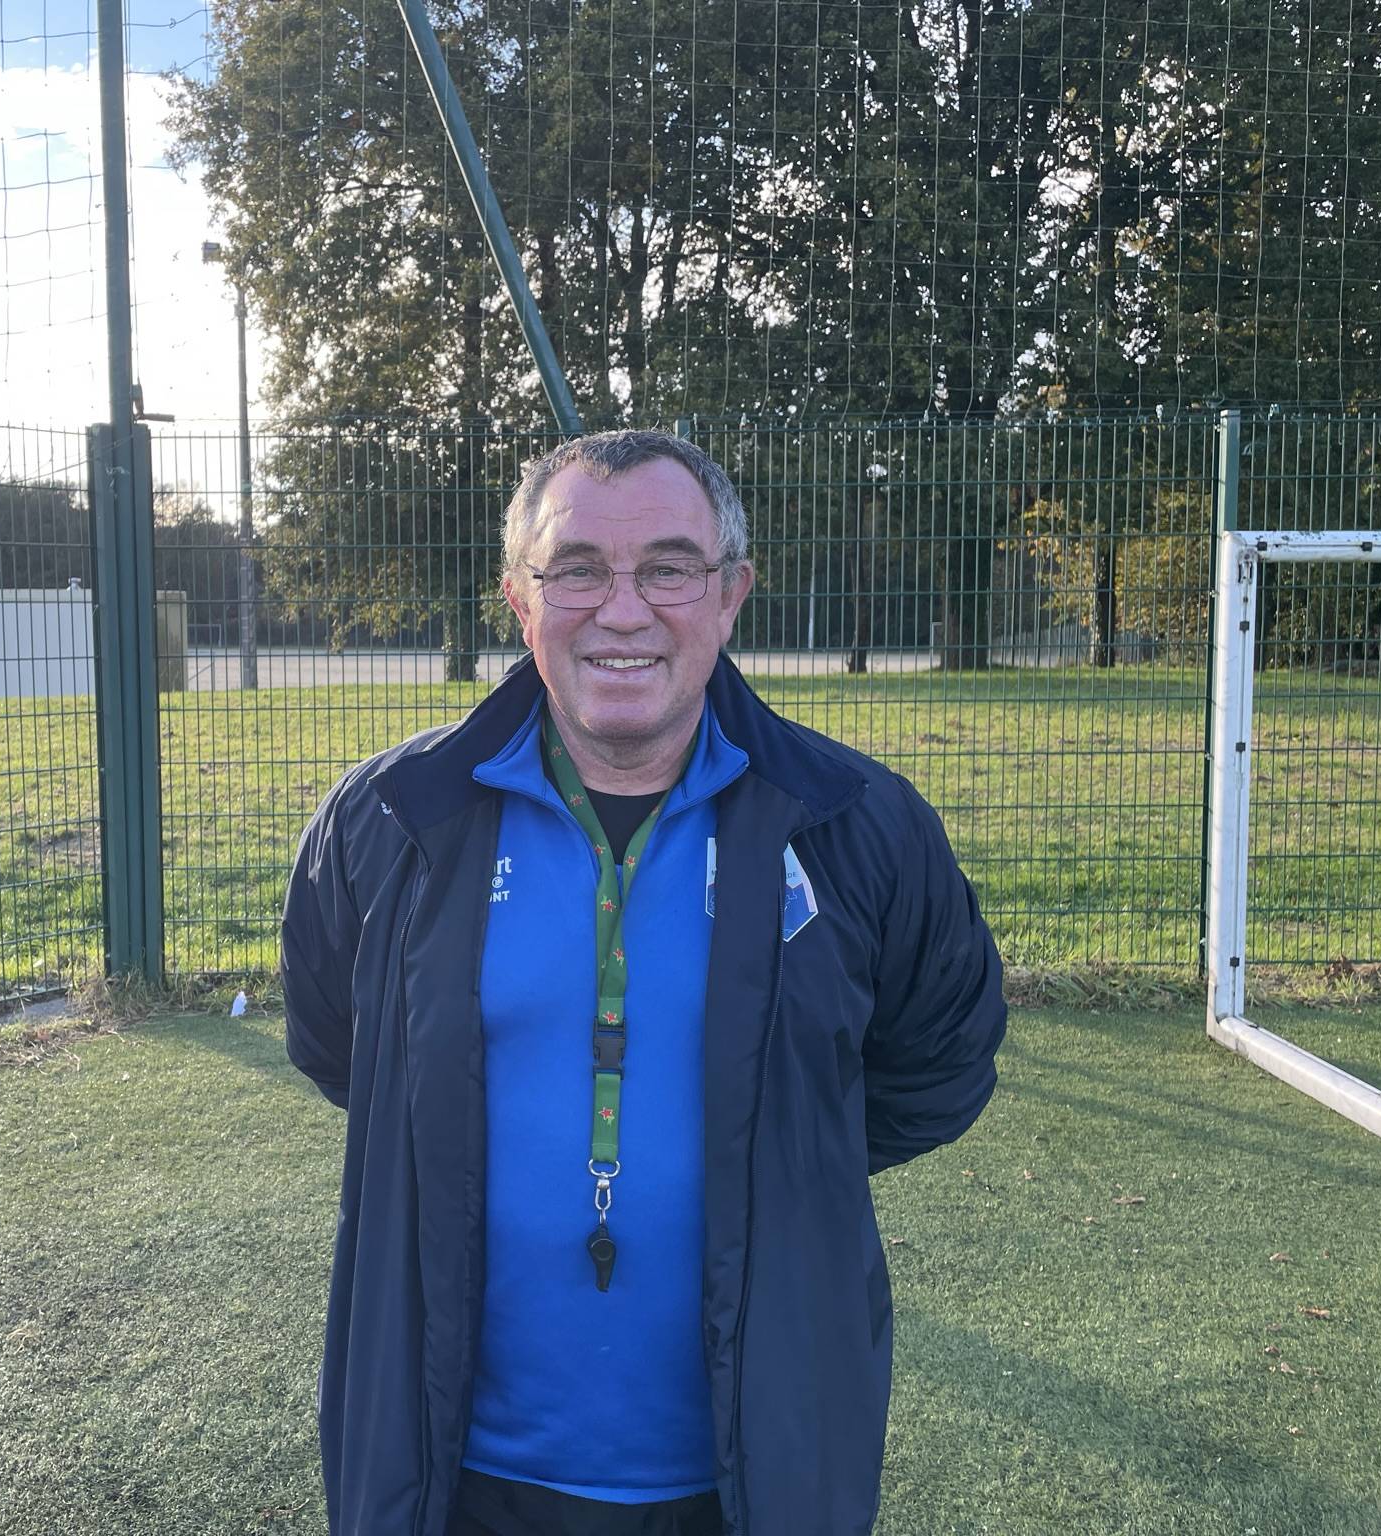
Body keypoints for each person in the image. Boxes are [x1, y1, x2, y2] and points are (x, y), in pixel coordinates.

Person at [282, 430, 1006, 1536]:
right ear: (518, 602)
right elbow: (346, 1052)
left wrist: (771, 1150)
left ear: (728, 596)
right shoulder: (387, 823)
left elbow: (938, 1066)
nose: (622, 611)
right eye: (575, 570)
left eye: (666, 567)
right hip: (452, 1472)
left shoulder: (860, 829)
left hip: (751, 1478)